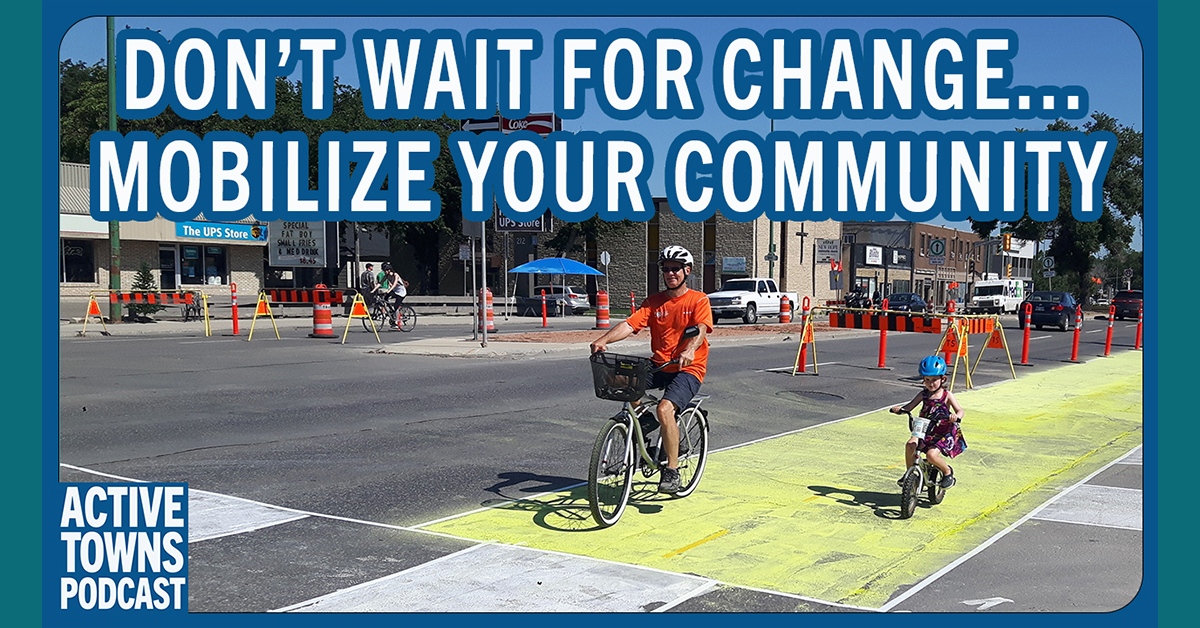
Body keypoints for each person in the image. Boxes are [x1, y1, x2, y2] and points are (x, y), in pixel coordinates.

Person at [590, 246, 714, 494]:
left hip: (688, 367)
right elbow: (629, 324)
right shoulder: (654, 302)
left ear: (686, 271)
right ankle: (645, 420)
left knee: (665, 408)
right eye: (666, 269)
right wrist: (603, 340)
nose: (670, 273)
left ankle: (672, 470)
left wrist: (689, 351)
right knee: (618, 379)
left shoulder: (698, 300)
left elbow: (700, 329)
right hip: (660, 363)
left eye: (675, 269)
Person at [890, 356, 967, 489]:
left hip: (942, 431)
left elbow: (960, 410)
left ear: (942, 379)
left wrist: (956, 416)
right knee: (910, 445)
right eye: (927, 380)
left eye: (934, 380)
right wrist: (900, 410)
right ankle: (910, 473)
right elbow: (909, 406)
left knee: (931, 455)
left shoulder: (947, 395)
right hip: (924, 428)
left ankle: (947, 472)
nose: (930, 383)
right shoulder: (923, 394)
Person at [378, 262, 409, 328]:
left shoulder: (395, 275)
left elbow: (394, 285)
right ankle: (392, 312)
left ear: (389, 270)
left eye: (386, 270)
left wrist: (389, 290)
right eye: (384, 270)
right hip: (395, 291)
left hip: (401, 292)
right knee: (385, 298)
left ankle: (396, 322)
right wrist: (373, 290)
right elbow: (380, 283)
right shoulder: (387, 276)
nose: (385, 272)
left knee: (396, 306)